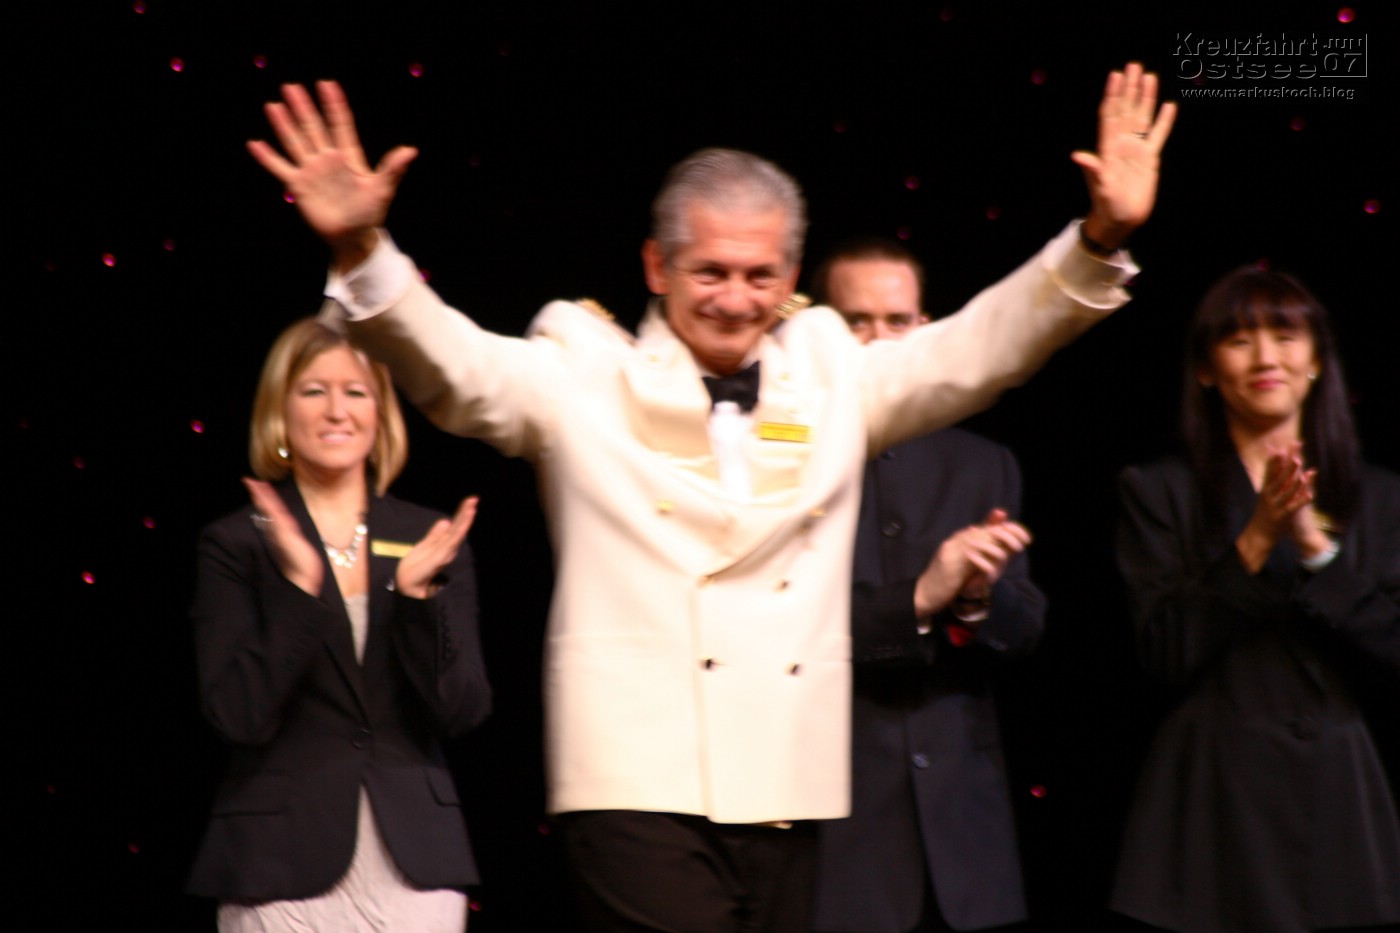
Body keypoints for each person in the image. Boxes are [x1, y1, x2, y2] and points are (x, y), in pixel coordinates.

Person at [246, 64, 1174, 931]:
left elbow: (981, 345)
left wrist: (1098, 240)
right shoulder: (586, 374)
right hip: (632, 782)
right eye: (711, 273)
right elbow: (455, 362)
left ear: (791, 280)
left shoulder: (835, 379)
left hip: (787, 780)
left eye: (760, 276)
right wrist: (362, 248)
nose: (735, 298)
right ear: (657, 267)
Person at [1109, 268, 1400, 932]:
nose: (1266, 357)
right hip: (1212, 794)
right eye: (1239, 341)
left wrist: (1315, 550)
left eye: (1285, 336)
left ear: (1317, 359)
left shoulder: (1379, 496)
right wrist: (1259, 536)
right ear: (1207, 370)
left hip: (1338, 794)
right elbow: (1162, 653)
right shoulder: (1159, 489)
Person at [187, 318, 491, 931]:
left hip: (415, 865)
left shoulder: (427, 539)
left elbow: (461, 710)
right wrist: (301, 592)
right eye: (313, 391)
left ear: (380, 414)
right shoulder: (237, 543)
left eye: (356, 392)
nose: (336, 410)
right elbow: (237, 716)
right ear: (280, 410)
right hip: (278, 864)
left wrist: (417, 600)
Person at [809, 239, 1044, 933]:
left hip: (964, 835)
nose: (879, 340)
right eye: (855, 321)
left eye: (897, 321)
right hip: (837, 834)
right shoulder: (786, 462)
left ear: (927, 328)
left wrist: (977, 599)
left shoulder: (983, 463)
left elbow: (1024, 631)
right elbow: (780, 631)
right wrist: (918, 600)